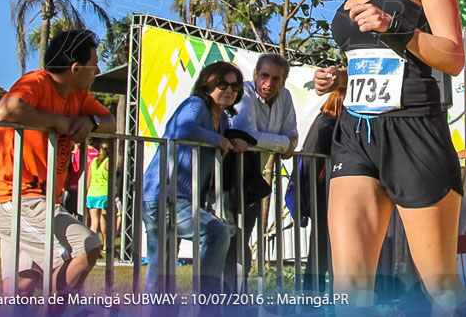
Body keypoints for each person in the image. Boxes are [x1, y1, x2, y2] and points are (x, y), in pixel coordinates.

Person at [312, 0, 466, 311]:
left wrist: (394, 27)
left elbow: (453, 58)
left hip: (413, 130)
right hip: (355, 133)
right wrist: (338, 79)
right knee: (349, 287)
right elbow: (373, 61)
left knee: (440, 285)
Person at [0, 29, 115, 297]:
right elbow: (5, 110)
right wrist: (60, 123)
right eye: (94, 64)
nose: (98, 70)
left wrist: (91, 122)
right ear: (76, 68)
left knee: (22, 286)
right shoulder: (36, 82)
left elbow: (111, 122)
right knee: (86, 247)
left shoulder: (78, 95)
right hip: (14, 199)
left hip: (36, 201)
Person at [142, 61, 247, 294]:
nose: (229, 90)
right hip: (162, 195)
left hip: (181, 199)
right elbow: (182, 127)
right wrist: (217, 140)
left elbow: (220, 141)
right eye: (222, 83)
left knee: (163, 275)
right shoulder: (196, 104)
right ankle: (207, 303)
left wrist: (233, 141)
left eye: (235, 85)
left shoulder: (223, 121)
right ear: (206, 85)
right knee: (215, 233)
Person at [223, 53, 298, 289]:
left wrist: (285, 142)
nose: (269, 83)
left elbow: (293, 135)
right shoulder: (244, 92)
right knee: (224, 239)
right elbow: (248, 134)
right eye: (264, 76)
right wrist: (283, 144)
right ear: (255, 74)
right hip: (225, 178)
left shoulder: (285, 96)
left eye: (276, 78)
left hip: (252, 180)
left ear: (284, 81)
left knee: (242, 239)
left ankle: (238, 298)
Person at [296, 87, 345, 292]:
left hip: (318, 191)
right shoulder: (328, 125)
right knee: (321, 246)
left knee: (320, 245)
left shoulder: (322, 122)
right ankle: (314, 296)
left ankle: (314, 294)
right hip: (323, 192)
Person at [86, 140, 110, 246]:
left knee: (93, 222)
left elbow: (88, 178)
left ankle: (93, 244)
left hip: (92, 193)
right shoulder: (108, 162)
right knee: (103, 219)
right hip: (104, 193)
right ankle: (105, 243)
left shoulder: (93, 161)